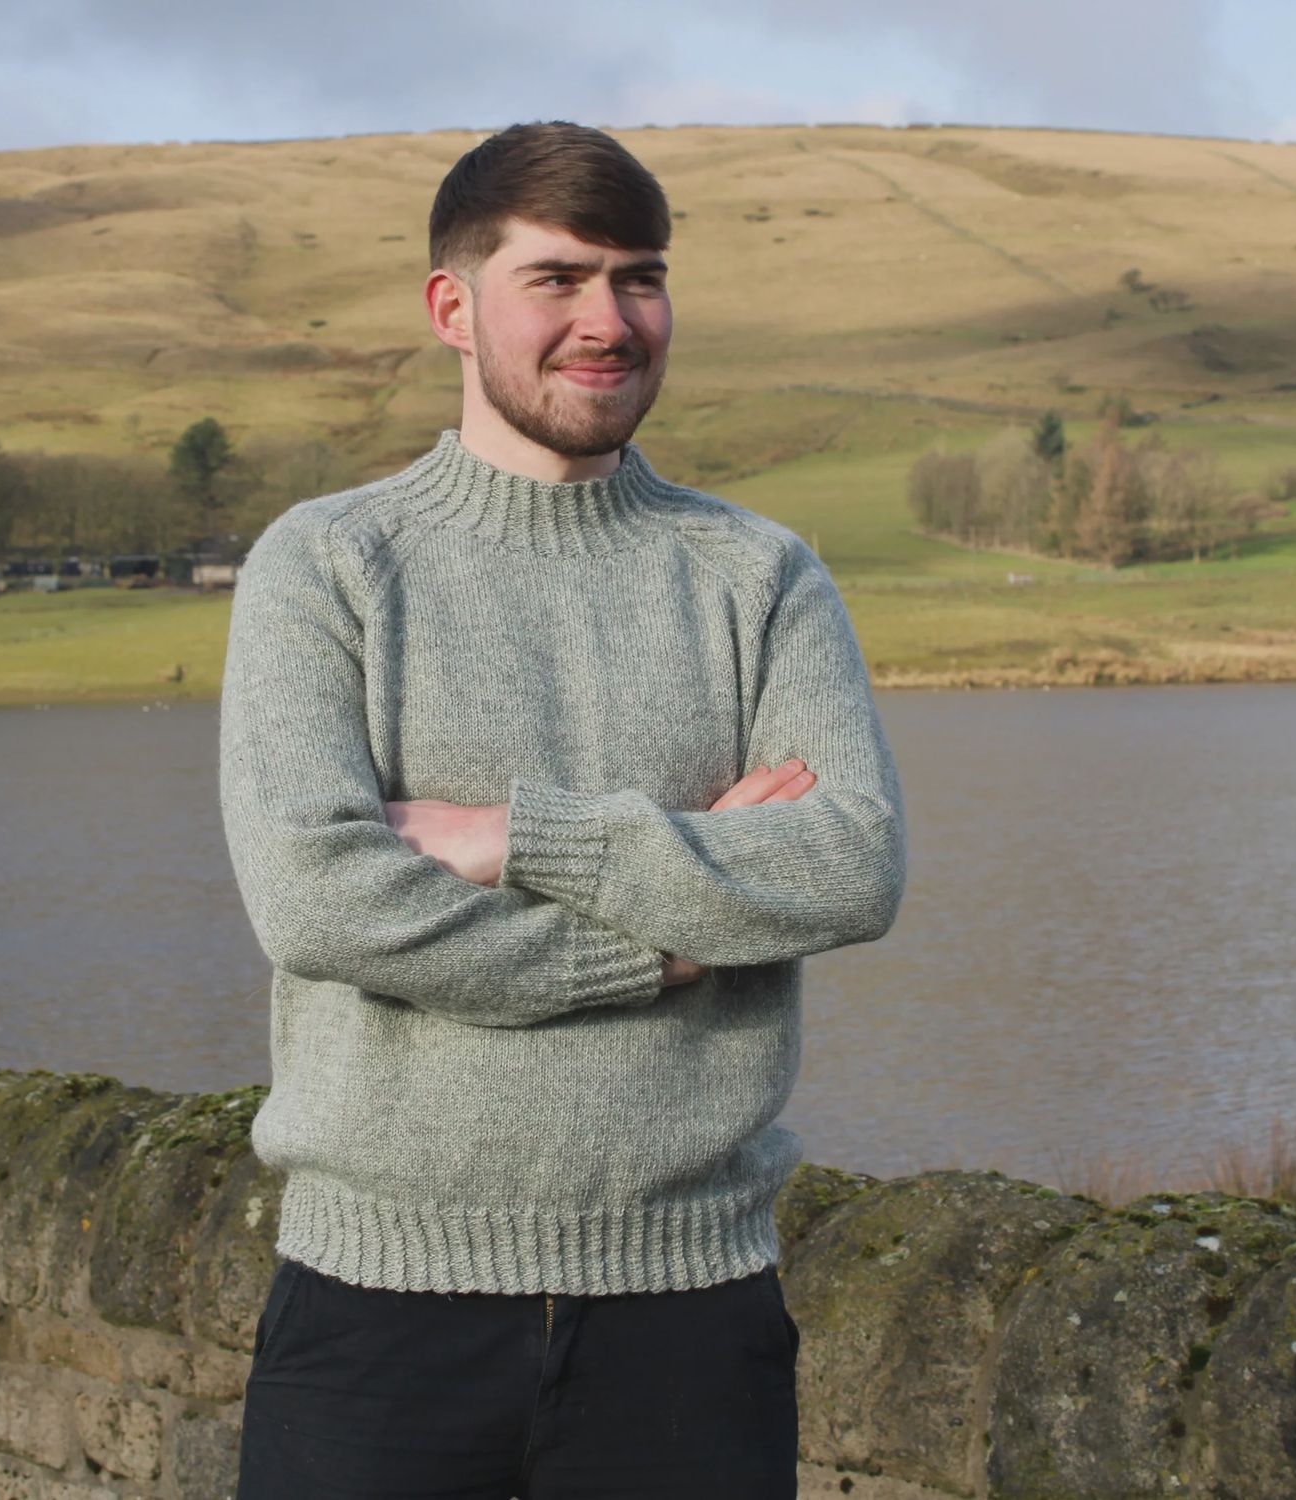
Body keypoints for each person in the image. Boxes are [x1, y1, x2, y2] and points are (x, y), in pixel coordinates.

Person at [219, 119, 906, 1500]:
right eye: (559, 279)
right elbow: (320, 900)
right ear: (452, 308)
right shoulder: (327, 564)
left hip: (693, 1322)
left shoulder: (760, 574)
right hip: (374, 1319)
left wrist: (511, 837)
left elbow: (847, 866)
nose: (609, 321)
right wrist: (668, 939)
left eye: (639, 279)